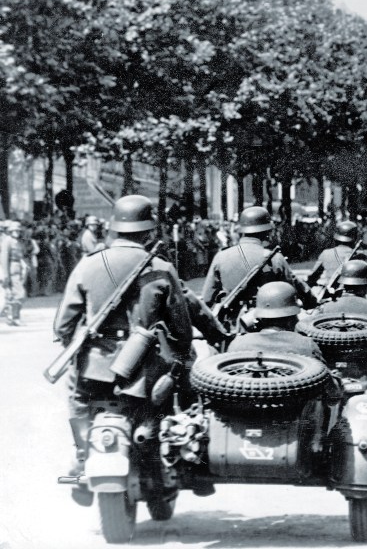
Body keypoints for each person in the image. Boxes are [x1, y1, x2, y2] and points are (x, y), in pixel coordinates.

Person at [52, 195, 194, 502]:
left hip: (94, 365)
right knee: (159, 409)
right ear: (148, 231)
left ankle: (80, 458)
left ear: (114, 228)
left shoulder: (87, 265)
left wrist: (77, 345)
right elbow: (182, 328)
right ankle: (156, 476)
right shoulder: (160, 267)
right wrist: (181, 353)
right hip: (145, 368)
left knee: (78, 399)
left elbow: (63, 325)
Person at [201, 206, 317, 319]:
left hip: (232, 325)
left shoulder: (221, 257)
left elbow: (207, 297)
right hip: (266, 322)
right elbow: (293, 288)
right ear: (267, 232)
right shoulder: (274, 258)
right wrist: (311, 302)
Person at [0, 221, 29, 325]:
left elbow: (21, 256)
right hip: (11, 270)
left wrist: (23, 265)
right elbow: (4, 259)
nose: (16, 232)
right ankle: (14, 318)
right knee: (19, 294)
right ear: (10, 231)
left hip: (19, 269)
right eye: (14, 230)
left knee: (15, 295)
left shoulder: (17, 241)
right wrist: (6, 275)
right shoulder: (7, 241)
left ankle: (12, 317)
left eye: (18, 230)